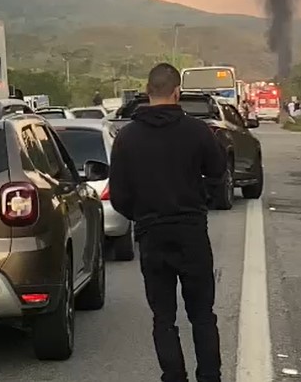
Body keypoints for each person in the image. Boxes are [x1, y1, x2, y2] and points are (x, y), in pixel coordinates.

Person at [109, 63, 226, 382]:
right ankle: (210, 376)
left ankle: (174, 376)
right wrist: (200, 200)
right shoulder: (198, 131)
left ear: (148, 92)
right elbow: (218, 173)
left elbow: (118, 195)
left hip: (151, 234)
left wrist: (144, 215)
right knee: (202, 314)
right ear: (178, 92)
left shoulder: (127, 138)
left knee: (164, 318)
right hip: (191, 231)